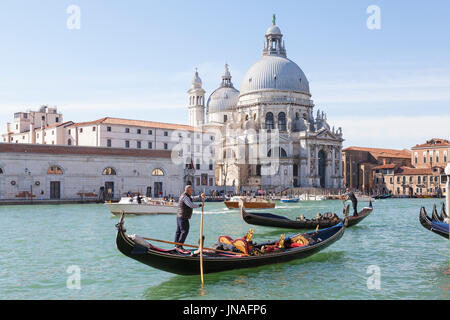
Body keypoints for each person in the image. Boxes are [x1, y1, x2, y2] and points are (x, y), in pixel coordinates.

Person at [174, 185, 205, 251]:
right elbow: (191, 205)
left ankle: (177, 246)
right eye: (192, 190)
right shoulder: (185, 197)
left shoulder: (185, 196)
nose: (192, 191)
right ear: (188, 191)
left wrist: (199, 196)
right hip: (183, 217)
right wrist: (200, 205)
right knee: (184, 231)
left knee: (179, 231)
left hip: (180, 216)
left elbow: (192, 198)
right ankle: (179, 246)